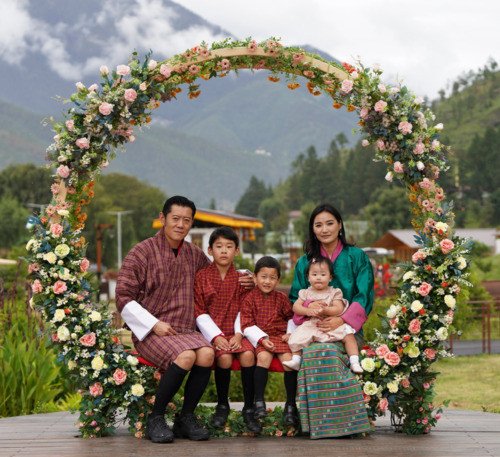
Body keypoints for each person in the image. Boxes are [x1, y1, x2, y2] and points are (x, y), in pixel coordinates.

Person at [115, 196, 214, 444]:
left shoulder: (194, 254)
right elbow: (123, 296)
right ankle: (156, 417)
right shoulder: (141, 251)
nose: (181, 225)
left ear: (192, 223)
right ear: (163, 218)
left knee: (207, 354)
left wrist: (244, 278)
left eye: (187, 220)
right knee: (187, 356)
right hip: (153, 331)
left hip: (185, 329)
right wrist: (153, 324)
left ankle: (186, 417)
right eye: (175, 218)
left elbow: (214, 277)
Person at [289, 203, 374, 439]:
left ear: (340, 225)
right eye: (318, 225)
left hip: (347, 329)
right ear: (312, 229)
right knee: (314, 352)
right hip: (313, 326)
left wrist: (341, 319)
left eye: (329, 223)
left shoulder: (357, 257)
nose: (324, 229)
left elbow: (364, 295)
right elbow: (296, 297)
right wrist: (310, 310)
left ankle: (346, 422)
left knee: (325, 352)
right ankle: (316, 423)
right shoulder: (304, 262)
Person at [194, 227, 261, 433]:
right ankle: (222, 405)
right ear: (209, 250)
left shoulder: (242, 279)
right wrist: (216, 336)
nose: (224, 251)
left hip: (239, 331)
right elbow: (199, 310)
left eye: (229, 247)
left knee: (249, 354)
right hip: (213, 333)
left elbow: (245, 308)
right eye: (219, 246)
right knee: (224, 358)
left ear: (237, 251)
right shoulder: (202, 277)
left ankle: (249, 408)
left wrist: (240, 334)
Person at [241, 256, 300, 427]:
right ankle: (259, 402)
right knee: (263, 358)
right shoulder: (250, 299)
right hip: (261, 337)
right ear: (255, 278)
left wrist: (289, 333)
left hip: (280, 336)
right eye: (263, 277)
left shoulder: (281, 298)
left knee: (289, 362)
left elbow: (291, 319)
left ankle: (290, 405)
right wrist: (262, 339)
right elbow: (247, 324)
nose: (267, 281)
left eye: (272, 278)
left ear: (278, 280)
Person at [283, 256, 363, 374]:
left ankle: (354, 361)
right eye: (314, 275)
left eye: (323, 274)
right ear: (308, 277)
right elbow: (296, 307)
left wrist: (326, 310)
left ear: (330, 277)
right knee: (296, 337)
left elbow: (338, 308)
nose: (318, 278)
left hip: (332, 322)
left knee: (348, 335)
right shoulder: (305, 293)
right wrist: (307, 311)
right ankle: (296, 359)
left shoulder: (334, 292)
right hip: (312, 323)